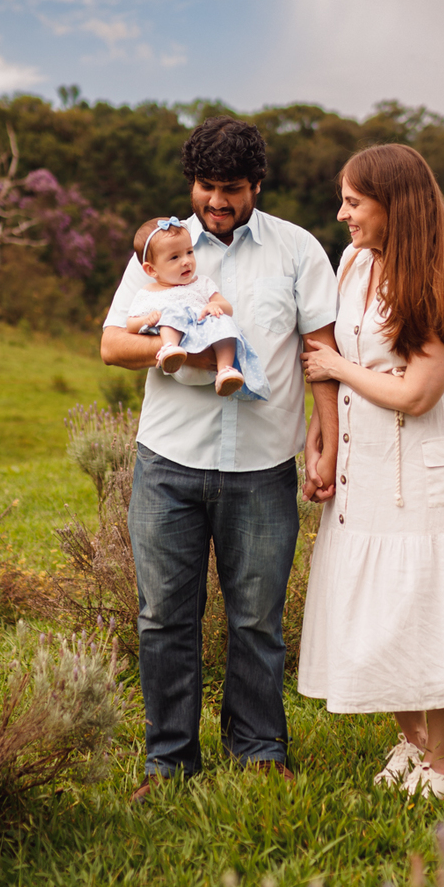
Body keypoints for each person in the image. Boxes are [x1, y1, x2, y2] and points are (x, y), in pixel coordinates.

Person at [101, 115, 339, 799]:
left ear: (256, 185)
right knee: (163, 615)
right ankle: (168, 760)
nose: (218, 202)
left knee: (257, 616)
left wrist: (325, 438)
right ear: (192, 183)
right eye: (207, 187)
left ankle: (260, 748)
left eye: (232, 189)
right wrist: (179, 348)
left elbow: (321, 355)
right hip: (168, 462)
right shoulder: (159, 249)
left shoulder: (296, 251)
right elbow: (113, 344)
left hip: (263, 466)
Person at [298, 143, 444, 800]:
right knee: (374, 603)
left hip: (426, 470)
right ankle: (412, 740)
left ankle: (443, 766)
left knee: (431, 605)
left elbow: (418, 393)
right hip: (366, 464)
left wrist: (337, 372)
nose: (342, 215)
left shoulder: (442, 281)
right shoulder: (354, 262)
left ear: (396, 206)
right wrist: (325, 436)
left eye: (354, 203)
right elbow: (329, 345)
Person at [126, 215, 269, 400]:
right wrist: (147, 320)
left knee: (224, 321)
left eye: (189, 252)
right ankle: (170, 350)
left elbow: (227, 307)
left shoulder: (202, 283)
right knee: (171, 312)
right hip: (182, 361)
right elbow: (130, 325)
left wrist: (214, 305)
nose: (186, 261)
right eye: (175, 257)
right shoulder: (148, 293)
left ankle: (225, 371)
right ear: (152, 270)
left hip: (208, 346)